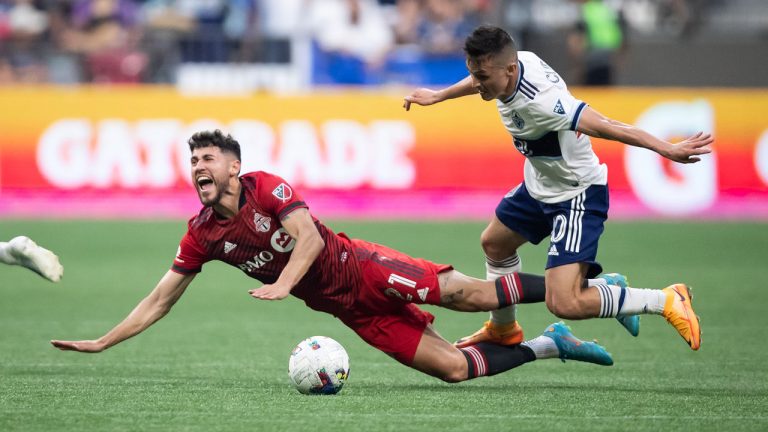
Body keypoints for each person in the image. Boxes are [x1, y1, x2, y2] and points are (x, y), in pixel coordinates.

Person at [51, 130, 615, 383]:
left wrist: (281, 284)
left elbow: (312, 239)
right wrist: (103, 340)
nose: (197, 167)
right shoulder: (200, 234)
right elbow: (159, 300)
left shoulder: (265, 186)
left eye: (207, 157)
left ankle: (581, 288)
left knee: (473, 295)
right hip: (352, 312)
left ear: (232, 165)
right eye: (192, 160)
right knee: (452, 370)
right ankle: (550, 345)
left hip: (366, 267)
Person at [403, 25, 707, 350]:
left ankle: (664, 299)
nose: (477, 84)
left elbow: (605, 125)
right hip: (540, 183)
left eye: (483, 77)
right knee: (495, 244)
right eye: (473, 73)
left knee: (565, 303)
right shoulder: (510, 66)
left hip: (575, 193)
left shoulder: (544, 102)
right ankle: (503, 328)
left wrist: (666, 148)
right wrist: (439, 95)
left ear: (510, 68)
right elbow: (480, 77)